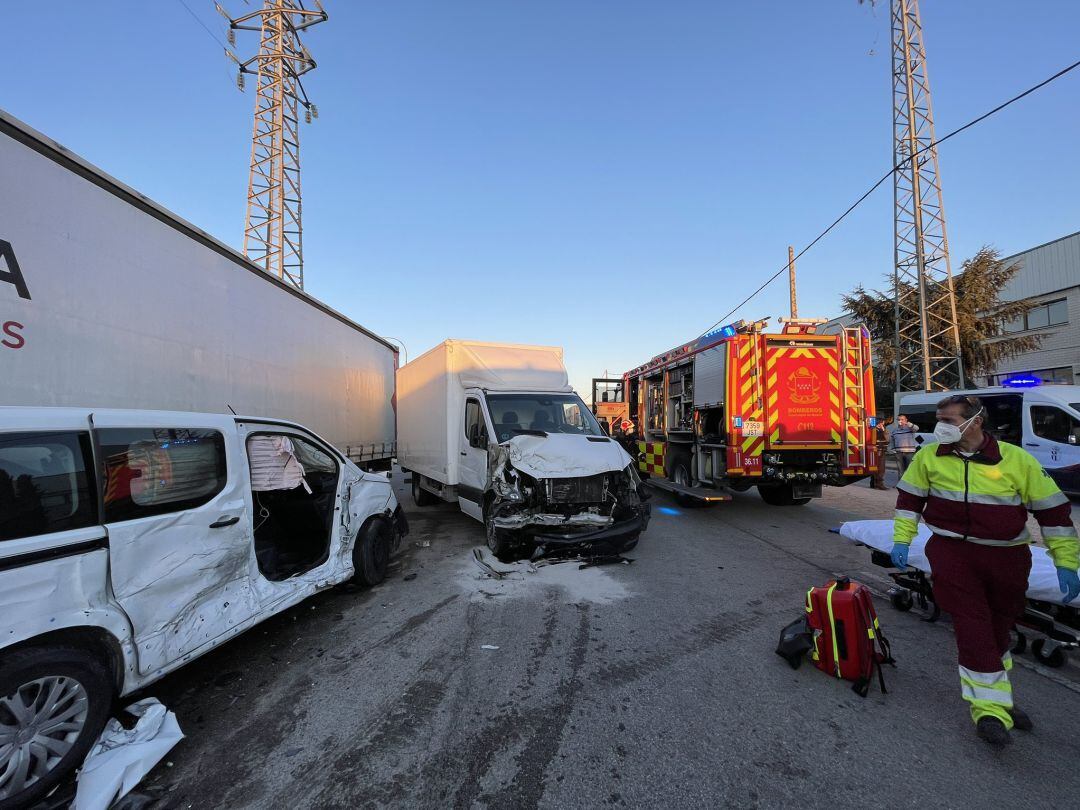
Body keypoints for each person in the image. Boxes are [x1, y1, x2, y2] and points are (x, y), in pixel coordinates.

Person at [891, 395, 1080, 748]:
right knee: (972, 626)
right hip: (952, 554)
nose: (940, 427)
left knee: (998, 627)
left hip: (1006, 557)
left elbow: (1053, 515)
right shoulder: (929, 458)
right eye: (938, 419)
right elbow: (909, 503)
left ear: (975, 421)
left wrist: (1066, 561)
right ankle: (989, 710)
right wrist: (901, 540)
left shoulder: (1016, 461)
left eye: (948, 419)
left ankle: (1001, 699)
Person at [871, 417, 891, 490]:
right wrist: (883, 431)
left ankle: (875, 483)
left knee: (878, 467)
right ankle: (879, 484)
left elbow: (888, 440)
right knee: (880, 467)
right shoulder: (876, 430)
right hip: (879, 450)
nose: (883, 424)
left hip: (881, 450)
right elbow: (887, 439)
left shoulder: (878, 429)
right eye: (882, 422)